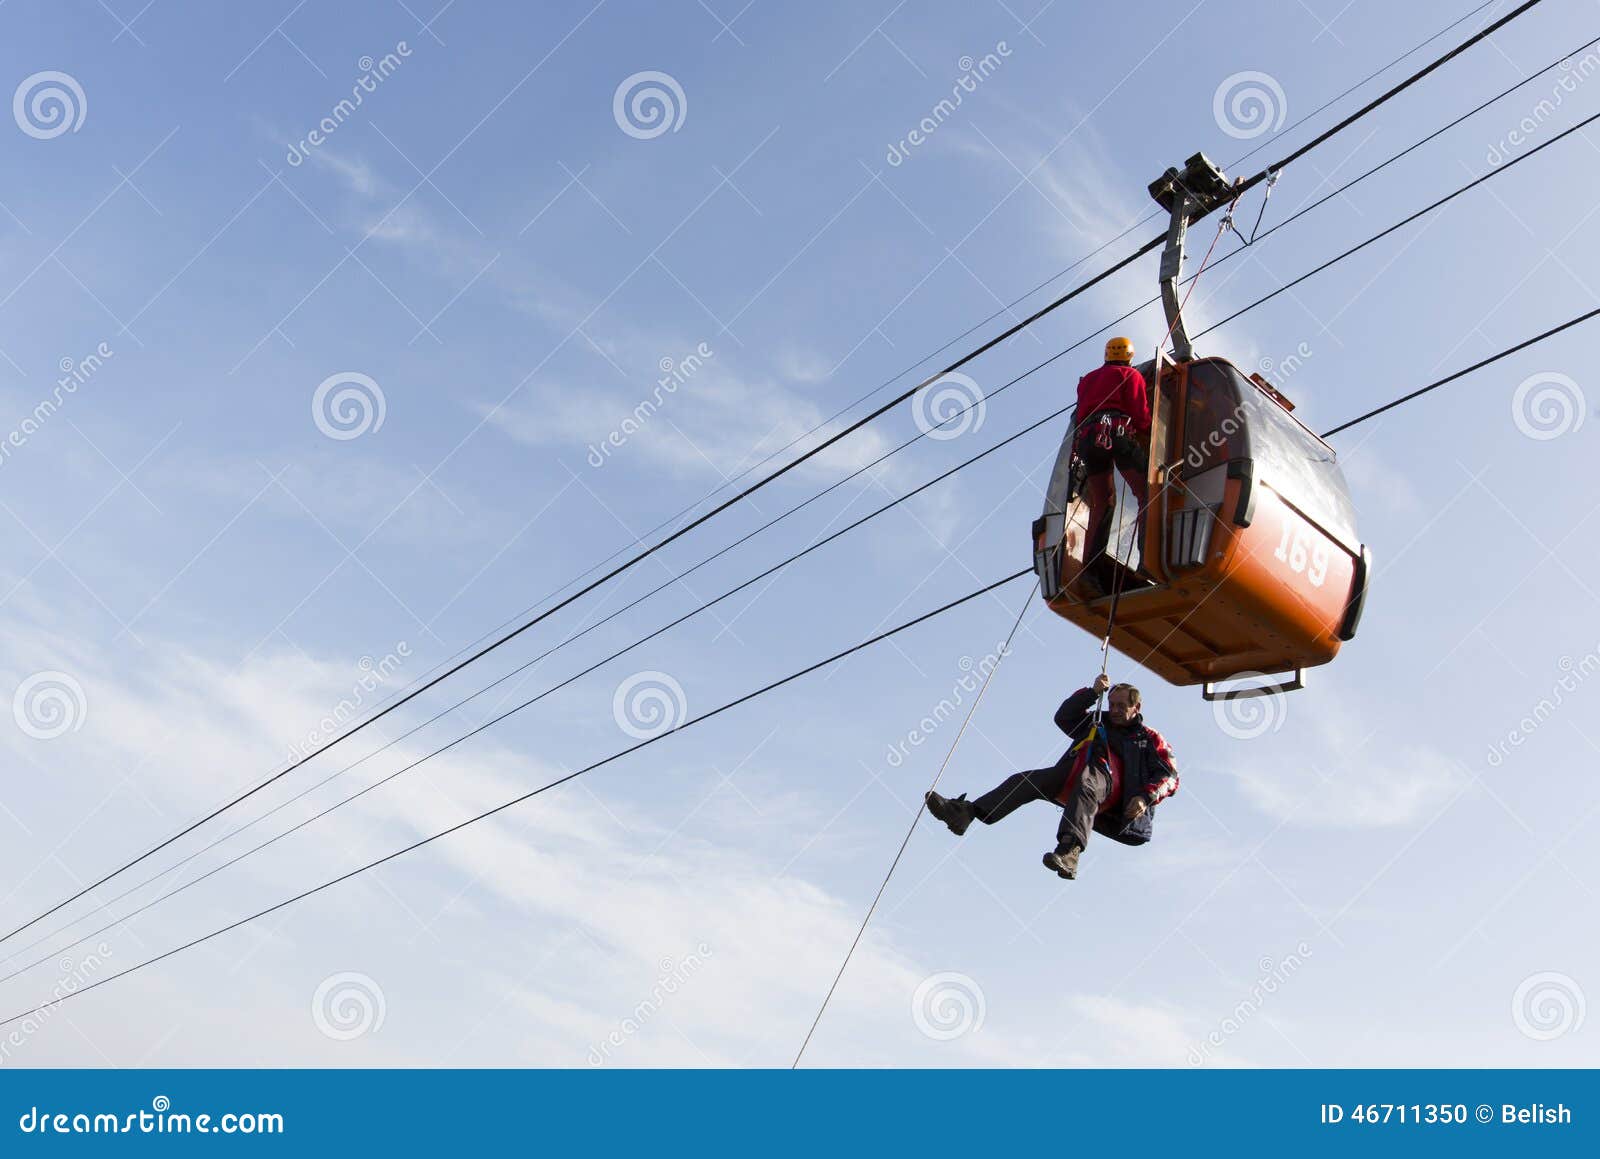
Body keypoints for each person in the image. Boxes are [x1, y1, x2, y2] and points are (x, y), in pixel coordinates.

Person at [924, 674, 1178, 880]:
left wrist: (1145, 798)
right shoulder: (1096, 722)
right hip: (1077, 777)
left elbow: (1170, 775)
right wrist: (1091, 693)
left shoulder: (1149, 738)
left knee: (1088, 781)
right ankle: (967, 813)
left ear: (1137, 707)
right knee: (1025, 781)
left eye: (1123, 706)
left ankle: (1070, 851)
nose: (1115, 710)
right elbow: (1064, 718)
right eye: (1113, 704)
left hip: (1114, 793)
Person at [1072, 337, 1152, 595]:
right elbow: (1140, 417)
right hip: (1116, 435)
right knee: (1147, 493)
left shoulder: (1087, 381)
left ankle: (1090, 571)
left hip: (1087, 440)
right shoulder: (1131, 376)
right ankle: (1147, 562)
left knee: (1103, 501)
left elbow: (1081, 414)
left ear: (1106, 355)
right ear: (1130, 357)